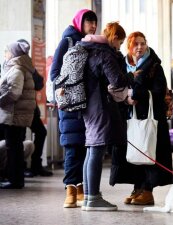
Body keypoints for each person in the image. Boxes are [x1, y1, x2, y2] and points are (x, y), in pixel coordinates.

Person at [110, 31, 173, 206]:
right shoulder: (123, 66)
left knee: (148, 151)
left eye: (142, 43)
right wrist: (125, 96)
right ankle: (137, 188)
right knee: (133, 154)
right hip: (129, 118)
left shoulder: (154, 66)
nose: (139, 47)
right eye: (135, 44)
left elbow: (160, 91)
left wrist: (136, 93)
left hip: (149, 118)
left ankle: (148, 190)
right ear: (129, 47)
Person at [79, 22, 130, 211]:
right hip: (99, 105)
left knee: (91, 150)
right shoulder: (104, 52)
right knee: (96, 150)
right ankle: (93, 198)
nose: (120, 47)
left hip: (88, 105)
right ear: (114, 38)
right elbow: (116, 80)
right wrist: (131, 76)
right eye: (121, 42)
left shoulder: (89, 49)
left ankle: (89, 196)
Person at [50, 9, 97, 208]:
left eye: (95, 22)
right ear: (80, 22)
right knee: (71, 148)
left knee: (83, 149)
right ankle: (70, 189)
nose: (93, 25)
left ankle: (80, 188)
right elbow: (54, 73)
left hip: (87, 104)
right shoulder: (67, 41)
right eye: (89, 21)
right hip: (69, 105)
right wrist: (67, 89)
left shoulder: (90, 44)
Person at [0, 41, 36, 189]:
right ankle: (16, 179)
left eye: (7, 51)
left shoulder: (17, 70)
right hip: (18, 116)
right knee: (15, 148)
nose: (5, 55)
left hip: (14, 116)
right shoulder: (21, 68)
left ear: (13, 53)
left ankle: (15, 180)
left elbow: (13, 93)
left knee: (13, 149)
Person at [17, 39, 52, 177]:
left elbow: (39, 84)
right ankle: (22, 167)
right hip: (18, 110)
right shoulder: (14, 64)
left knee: (41, 132)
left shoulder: (29, 65)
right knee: (18, 137)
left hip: (30, 109)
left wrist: (31, 70)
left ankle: (36, 165)